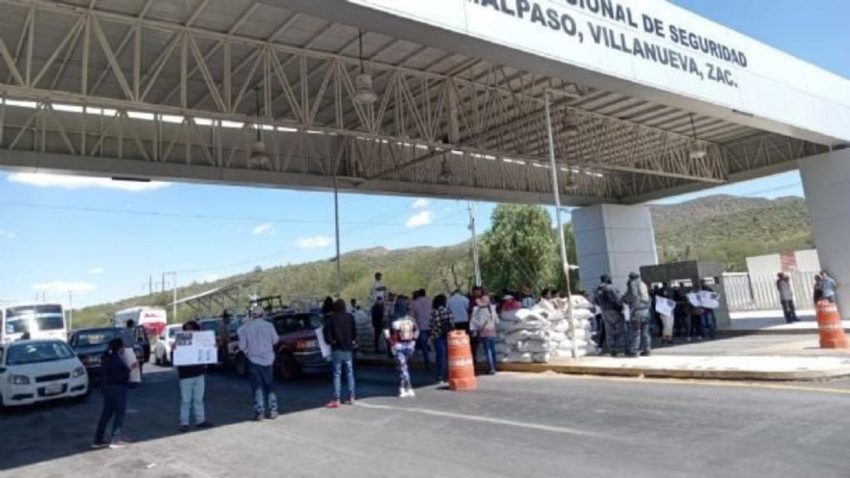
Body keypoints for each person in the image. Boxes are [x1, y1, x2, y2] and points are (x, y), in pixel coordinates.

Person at [237, 306, 281, 421]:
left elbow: (241, 346)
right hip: (268, 359)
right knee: (269, 386)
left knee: (257, 387)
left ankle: (259, 413)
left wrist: (247, 350)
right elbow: (276, 340)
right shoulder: (269, 325)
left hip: (253, 360)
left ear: (252, 315)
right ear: (263, 314)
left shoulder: (245, 328)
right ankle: (273, 410)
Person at [92, 338, 131, 449]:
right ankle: (115, 439)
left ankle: (98, 439)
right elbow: (120, 375)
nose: (123, 349)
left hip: (106, 388)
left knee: (106, 414)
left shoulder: (106, 357)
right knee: (119, 413)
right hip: (116, 388)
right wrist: (130, 370)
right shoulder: (115, 360)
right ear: (119, 348)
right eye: (122, 347)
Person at [175, 320, 211, 432]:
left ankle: (200, 420)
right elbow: (175, 358)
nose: (188, 331)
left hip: (199, 374)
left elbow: (208, 351)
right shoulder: (179, 342)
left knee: (198, 399)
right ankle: (184, 423)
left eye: (191, 328)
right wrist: (174, 349)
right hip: (185, 375)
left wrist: (213, 347)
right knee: (186, 400)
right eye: (186, 329)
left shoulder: (200, 341)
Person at [324, 299, 357, 408]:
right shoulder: (350, 317)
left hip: (337, 349)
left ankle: (337, 399)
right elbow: (354, 333)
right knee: (349, 373)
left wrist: (331, 341)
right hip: (348, 349)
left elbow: (326, 333)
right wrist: (352, 340)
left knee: (337, 374)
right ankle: (351, 397)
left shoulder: (331, 319)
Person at [386, 296, 419, 398]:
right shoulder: (410, 318)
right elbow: (417, 331)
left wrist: (391, 343)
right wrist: (413, 341)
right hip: (409, 346)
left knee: (403, 367)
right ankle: (406, 388)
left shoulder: (392, 318)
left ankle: (404, 388)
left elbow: (386, 332)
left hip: (397, 346)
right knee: (403, 367)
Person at [622, 272, 651, 357]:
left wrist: (624, 298)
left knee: (636, 331)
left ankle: (634, 351)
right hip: (646, 310)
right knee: (645, 331)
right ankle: (647, 350)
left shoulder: (633, 283)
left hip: (637, 311)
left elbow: (633, 296)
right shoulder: (643, 284)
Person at [595, 274, 624, 357]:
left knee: (608, 331)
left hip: (604, 312)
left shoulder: (598, 289)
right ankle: (616, 341)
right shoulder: (610, 288)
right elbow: (618, 299)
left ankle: (612, 349)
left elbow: (596, 301)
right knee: (621, 327)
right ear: (607, 279)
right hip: (613, 311)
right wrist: (621, 306)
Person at [471, 294, 499, 375]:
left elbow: (480, 323)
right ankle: (495, 366)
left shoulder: (481, 310)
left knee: (488, 351)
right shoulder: (492, 309)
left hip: (485, 332)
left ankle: (491, 368)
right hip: (492, 331)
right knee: (493, 350)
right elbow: (497, 321)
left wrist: (474, 323)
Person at [429, 294, 454, 384]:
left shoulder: (434, 312)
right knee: (448, 356)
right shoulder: (448, 310)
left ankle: (440, 376)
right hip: (448, 335)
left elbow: (432, 324)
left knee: (440, 357)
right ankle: (449, 375)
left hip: (438, 336)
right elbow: (452, 322)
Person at [410, 289, 432, 371]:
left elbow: (412, 315)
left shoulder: (414, 303)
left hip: (421, 326)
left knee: (424, 346)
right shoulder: (430, 301)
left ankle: (427, 362)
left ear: (418, 294)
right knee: (433, 344)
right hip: (430, 325)